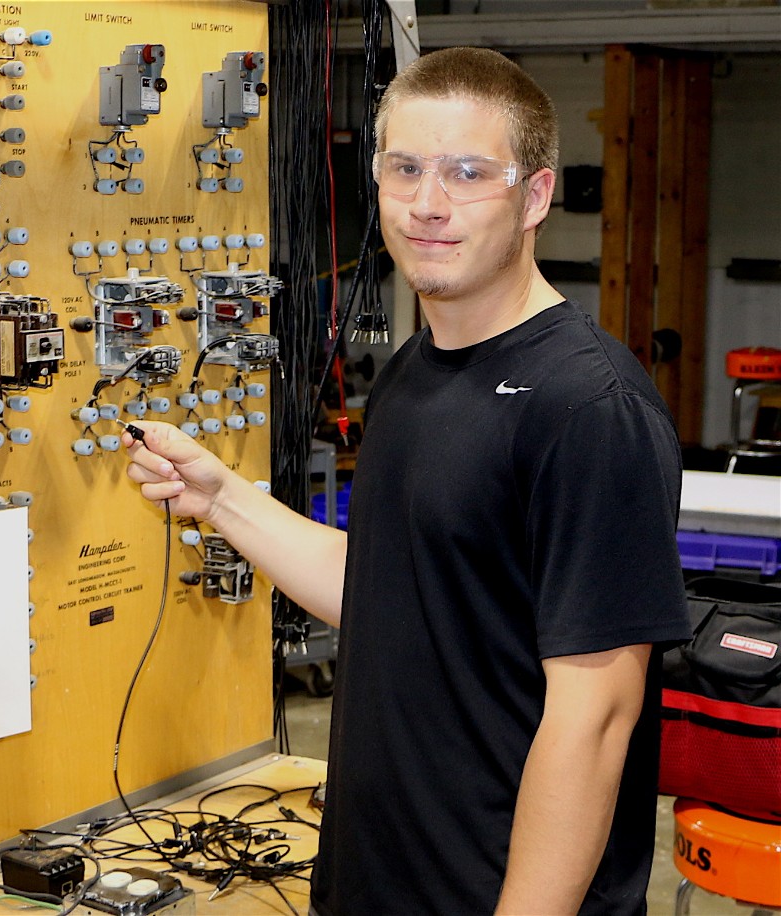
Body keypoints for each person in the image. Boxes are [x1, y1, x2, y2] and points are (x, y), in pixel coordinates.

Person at [123, 47, 692, 915]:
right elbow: (387, 591)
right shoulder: (412, 373)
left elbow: (597, 720)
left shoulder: (587, 409)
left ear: (535, 195)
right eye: (406, 168)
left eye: (468, 173)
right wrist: (222, 499)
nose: (429, 203)